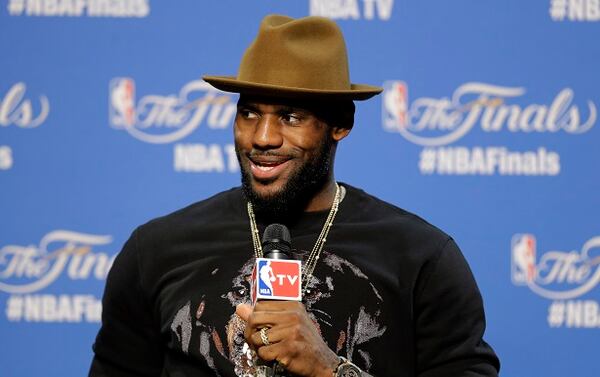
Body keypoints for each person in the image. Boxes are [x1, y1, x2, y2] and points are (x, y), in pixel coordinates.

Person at [89, 14, 500, 377]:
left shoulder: (420, 258)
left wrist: (328, 369)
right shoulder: (157, 250)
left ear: (340, 123)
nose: (263, 138)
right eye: (249, 112)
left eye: (290, 116)